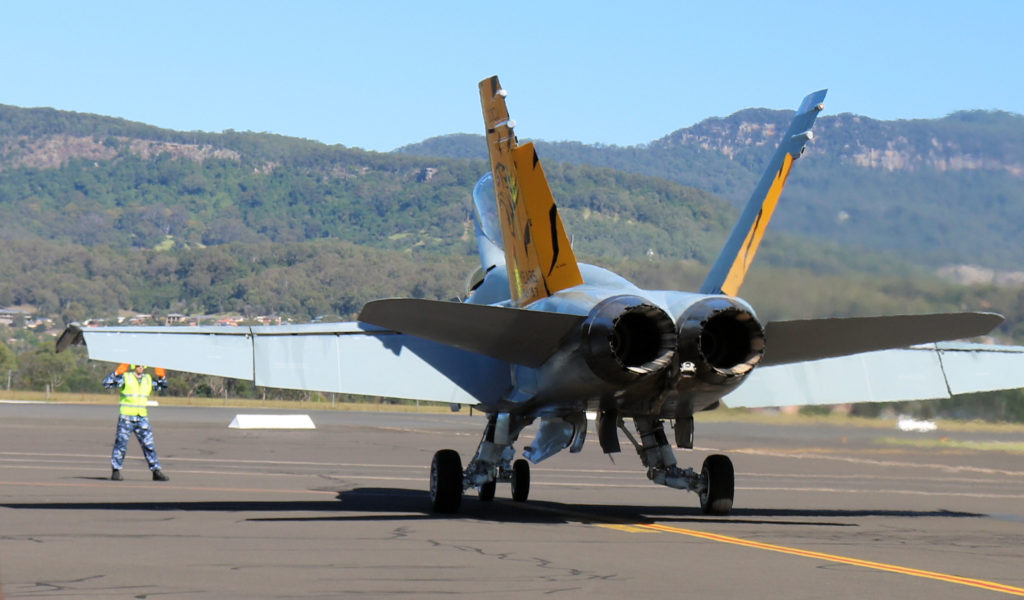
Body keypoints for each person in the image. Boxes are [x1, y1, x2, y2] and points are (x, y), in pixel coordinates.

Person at [104, 363, 169, 481]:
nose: (141, 367)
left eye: (143, 365)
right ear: (134, 366)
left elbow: (162, 386)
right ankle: (116, 470)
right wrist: (116, 373)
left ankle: (156, 471)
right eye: (138, 365)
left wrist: (162, 376)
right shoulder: (126, 378)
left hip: (142, 417)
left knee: (149, 445)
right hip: (127, 417)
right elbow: (107, 384)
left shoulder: (148, 379)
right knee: (121, 445)